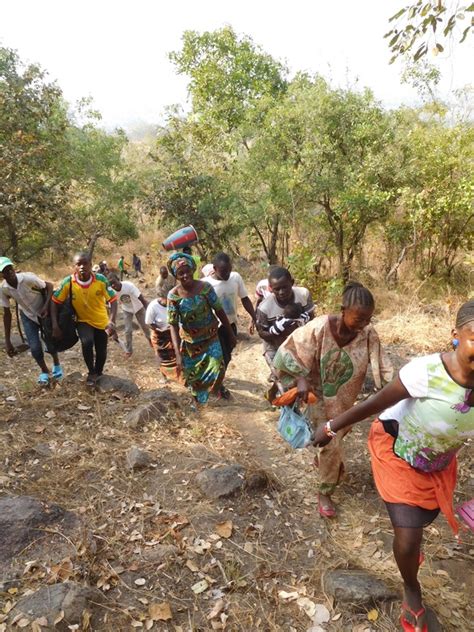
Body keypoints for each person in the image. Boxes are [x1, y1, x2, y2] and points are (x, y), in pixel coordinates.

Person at [309, 300, 474, 632]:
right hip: (397, 451)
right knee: (409, 534)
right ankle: (412, 590)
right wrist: (330, 427)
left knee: (425, 519)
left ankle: (410, 555)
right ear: (455, 335)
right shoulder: (426, 372)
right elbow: (374, 403)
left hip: (438, 460)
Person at [274, 282, 393, 518]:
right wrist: (300, 380)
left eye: (368, 319)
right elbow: (288, 353)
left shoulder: (368, 335)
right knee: (330, 440)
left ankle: (324, 461)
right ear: (343, 310)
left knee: (332, 438)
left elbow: (384, 366)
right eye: (359, 319)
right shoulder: (318, 328)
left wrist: (397, 390)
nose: (364, 325)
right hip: (316, 395)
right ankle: (325, 492)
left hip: (344, 401)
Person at [167, 252, 236, 404]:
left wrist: (231, 334)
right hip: (191, 343)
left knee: (218, 366)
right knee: (193, 375)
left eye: (187, 271)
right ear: (176, 276)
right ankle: (198, 402)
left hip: (211, 337)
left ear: (192, 269)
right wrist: (177, 352)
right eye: (180, 273)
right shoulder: (173, 296)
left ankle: (217, 389)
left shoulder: (205, 288)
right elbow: (172, 324)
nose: (185, 275)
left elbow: (219, 310)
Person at [51, 252, 118, 386]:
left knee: (102, 351)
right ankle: (91, 372)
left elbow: (113, 300)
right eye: (78, 264)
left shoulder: (101, 280)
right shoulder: (68, 282)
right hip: (83, 321)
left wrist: (112, 321)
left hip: (102, 322)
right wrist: (55, 325)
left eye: (85, 263)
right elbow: (54, 301)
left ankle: (99, 372)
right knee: (87, 342)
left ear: (91, 265)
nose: (82, 266)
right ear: (74, 267)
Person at [0, 257, 63, 385]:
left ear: (13, 268)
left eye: (10, 268)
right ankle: (45, 371)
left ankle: (56, 364)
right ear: (1, 275)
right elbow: (7, 314)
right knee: (35, 348)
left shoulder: (28, 278)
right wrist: (7, 341)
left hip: (44, 311)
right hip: (28, 316)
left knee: (50, 342)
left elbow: (49, 286)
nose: (10, 272)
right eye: (5, 271)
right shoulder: (3, 289)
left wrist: (46, 306)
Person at [206, 253, 257, 398]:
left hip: (232, 325)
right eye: (223, 271)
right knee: (218, 358)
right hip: (214, 328)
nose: (227, 274)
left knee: (227, 357)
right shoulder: (206, 285)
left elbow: (245, 299)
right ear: (215, 269)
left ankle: (217, 382)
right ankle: (218, 387)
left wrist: (254, 318)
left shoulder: (236, 278)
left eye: (229, 270)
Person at [256, 266, 314, 370]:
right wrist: (283, 332)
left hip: (300, 343)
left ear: (292, 282)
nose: (281, 292)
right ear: (270, 288)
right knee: (282, 378)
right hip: (274, 346)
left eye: (284, 287)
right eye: (277, 289)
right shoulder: (264, 308)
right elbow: (262, 333)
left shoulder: (303, 294)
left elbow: (311, 319)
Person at [108, 274, 151, 356]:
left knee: (145, 327)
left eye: (114, 282)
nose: (113, 285)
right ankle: (129, 350)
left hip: (138, 307)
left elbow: (140, 297)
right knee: (128, 330)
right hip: (127, 309)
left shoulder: (128, 286)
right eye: (111, 284)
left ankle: (150, 340)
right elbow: (112, 306)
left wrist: (147, 308)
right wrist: (112, 324)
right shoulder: (112, 292)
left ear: (118, 279)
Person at [145, 284, 180, 381]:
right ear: (162, 297)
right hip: (159, 334)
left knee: (177, 353)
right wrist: (159, 329)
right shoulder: (153, 306)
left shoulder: (175, 304)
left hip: (172, 333)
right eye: (167, 299)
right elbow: (148, 323)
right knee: (160, 355)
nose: (169, 302)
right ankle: (163, 376)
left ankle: (178, 373)